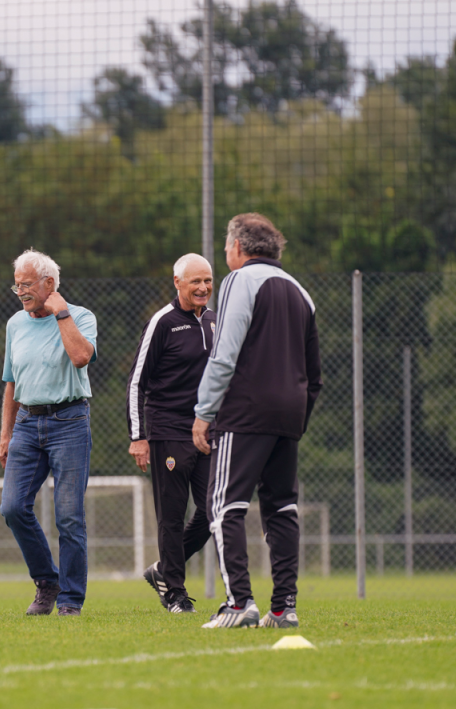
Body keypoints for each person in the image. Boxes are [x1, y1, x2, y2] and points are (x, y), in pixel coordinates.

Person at [192, 214, 322, 629]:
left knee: (222, 503)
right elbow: (314, 374)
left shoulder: (239, 282)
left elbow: (224, 353)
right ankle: (284, 609)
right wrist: (298, 414)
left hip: (246, 411)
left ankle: (238, 604)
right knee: (282, 507)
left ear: (237, 247)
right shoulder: (302, 293)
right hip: (289, 414)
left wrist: (204, 412)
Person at [0, 249, 98, 616]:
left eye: (26, 285)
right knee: (11, 508)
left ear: (49, 284)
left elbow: (80, 357)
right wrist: (6, 434)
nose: (20, 292)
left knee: (69, 515)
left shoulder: (81, 317)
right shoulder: (15, 324)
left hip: (69, 421)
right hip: (26, 423)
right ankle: (47, 581)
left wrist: (61, 313)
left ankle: (71, 600)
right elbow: (10, 382)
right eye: (17, 286)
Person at [126, 253, 217, 614]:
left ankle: (164, 569)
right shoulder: (162, 323)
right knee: (171, 516)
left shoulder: (215, 321)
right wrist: (139, 436)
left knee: (215, 511)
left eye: (208, 280)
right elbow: (136, 382)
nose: (203, 287)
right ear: (177, 282)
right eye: (195, 281)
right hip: (168, 431)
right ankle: (174, 593)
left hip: (209, 434)